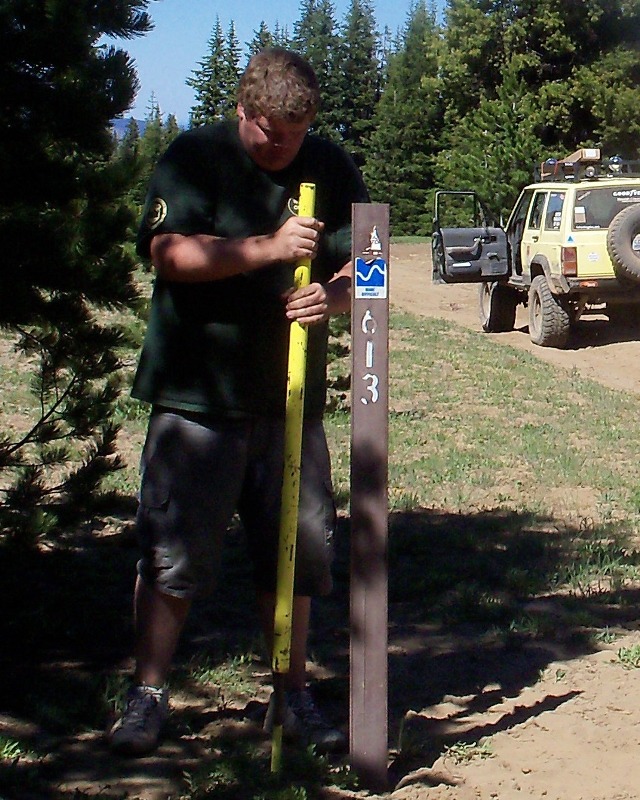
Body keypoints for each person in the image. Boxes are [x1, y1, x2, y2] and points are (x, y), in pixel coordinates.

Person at [108, 48, 369, 757]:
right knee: (173, 554)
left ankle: (292, 694)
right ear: (243, 110)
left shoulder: (330, 164)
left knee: (297, 553)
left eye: (298, 131)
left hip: (291, 403)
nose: (286, 146)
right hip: (198, 398)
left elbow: (371, 263)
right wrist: (266, 249)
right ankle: (149, 693)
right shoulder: (196, 156)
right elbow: (167, 254)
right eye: (272, 132)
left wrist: (335, 294)